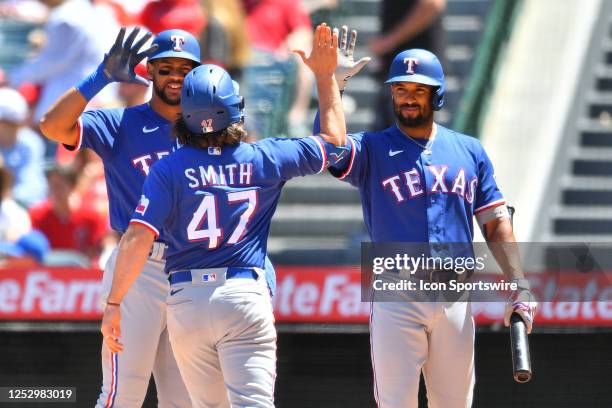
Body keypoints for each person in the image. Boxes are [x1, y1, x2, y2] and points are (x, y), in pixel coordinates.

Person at [100, 23, 348, 407]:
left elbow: (137, 238)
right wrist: (326, 78)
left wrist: (114, 303)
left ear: (185, 114)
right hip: (243, 293)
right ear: (236, 110)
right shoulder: (265, 156)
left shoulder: (168, 168)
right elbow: (334, 145)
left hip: (186, 300)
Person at [322, 48, 538, 407]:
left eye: (418, 90)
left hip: (454, 296)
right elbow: (330, 150)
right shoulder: (373, 148)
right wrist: (333, 85)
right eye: (401, 89)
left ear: (436, 94)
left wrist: (518, 282)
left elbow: (495, 222)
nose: (408, 98)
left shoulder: (469, 150)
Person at [38, 27, 198, 408]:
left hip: (195, 268)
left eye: (184, 68)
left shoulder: (211, 130)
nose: (175, 75)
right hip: (138, 268)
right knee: (122, 393)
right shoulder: (121, 123)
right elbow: (51, 126)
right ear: (149, 72)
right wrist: (101, 77)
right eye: (165, 67)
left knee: (186, 400)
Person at [369, 0, 446, 130]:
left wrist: (390, 40)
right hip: (396, 69)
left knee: (411, 136)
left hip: (417, 70)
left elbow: (432, 4)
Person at [29, 165, 108, 260]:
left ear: (72, 187)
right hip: (50, 271)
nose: (54, 192)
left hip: (82, 271)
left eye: (59, 186)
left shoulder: (90, 215)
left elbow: (96, 250)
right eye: (51, 186)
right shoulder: (38, 215)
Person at [0, 87, 47, 207]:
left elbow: (31, 188)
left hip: (17, 209)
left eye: (15, 123)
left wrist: (7, 201)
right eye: (8, 122)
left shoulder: (30, 143)